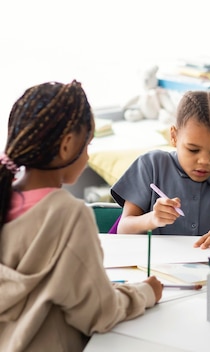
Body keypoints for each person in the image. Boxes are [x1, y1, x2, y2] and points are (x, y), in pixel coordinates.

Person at [0, 81, 163, 351]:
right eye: (87, 144)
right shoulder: (69, 215)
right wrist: (144, 293)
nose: (87, 155)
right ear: (67, 146)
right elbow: (99, 313)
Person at [111, 90, 210, 249]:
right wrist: (152, 219)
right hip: (157, 267)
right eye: (193, 149)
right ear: (174, 136)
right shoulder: (150, 165)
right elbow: (124, 228)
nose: (204, 161)